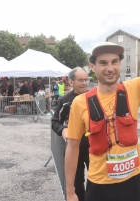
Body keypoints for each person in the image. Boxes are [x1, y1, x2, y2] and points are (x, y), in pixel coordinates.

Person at [65, 1, 140, 200]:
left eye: (114, 62)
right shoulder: (80, 103)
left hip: (131, 183)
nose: (110, 68)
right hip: (98, 186)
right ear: (93, 67)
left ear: (120, 63)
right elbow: (72, 148)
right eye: (103, 63)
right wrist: (71, 192)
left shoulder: (134, 89)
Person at [51, 67, 90, 201]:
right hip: (74, 149)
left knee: (97, 181)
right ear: (71, 82)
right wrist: (62, 129)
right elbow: (55, 121)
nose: (84, 83)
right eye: (80, 80)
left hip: (94, 148)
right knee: (77, 184)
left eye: (86, 79)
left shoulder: (94, 97)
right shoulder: (65, 100)